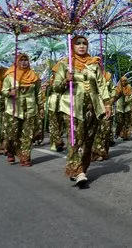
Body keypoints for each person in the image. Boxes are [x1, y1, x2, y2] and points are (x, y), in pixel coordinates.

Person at [53, 35, 111, 188]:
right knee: (75, 138)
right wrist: (66, 79)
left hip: (92, 106)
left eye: (84, 43)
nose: (81, 46)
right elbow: (56, 87)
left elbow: (102, 85)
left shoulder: (94, 64)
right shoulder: (65, 64)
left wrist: (107, 104)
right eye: (78, 43)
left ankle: (81, 168)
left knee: (88, 139)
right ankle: (78, 171)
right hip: (72, 107)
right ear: (72, 46)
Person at [2, 53, 42, 166]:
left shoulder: (34, 76)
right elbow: (3, 91)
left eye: (26, 60)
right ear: (17, 62)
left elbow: (38, 93)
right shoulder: (10, 76)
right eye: (21, 60)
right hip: (14, 110)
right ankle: (10, 151)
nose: (24, 62)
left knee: (27, 135)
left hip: (30, 109)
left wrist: (41, 107)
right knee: (12, 134)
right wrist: (10, 93)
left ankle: (25, 157)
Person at [92, 69, 116, 161]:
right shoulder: (90, 73)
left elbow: (113, 92)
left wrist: (109, 102)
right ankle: (94, 153)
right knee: (94, 130)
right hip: (94, 106)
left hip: (106, 107)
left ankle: (103, 151)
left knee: (105, 130)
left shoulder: (107, 77)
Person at [114, 76, 132, 141]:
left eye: (125, 81)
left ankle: (125, 135)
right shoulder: (118, 87)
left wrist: (127, 101)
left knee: (127, 122)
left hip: (127, 107)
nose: (124, 82)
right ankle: (117, 133)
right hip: (120, 107)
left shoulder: (129, 87)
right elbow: (115, 96)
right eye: (122, 81)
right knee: (120, 122)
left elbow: (131, 97)